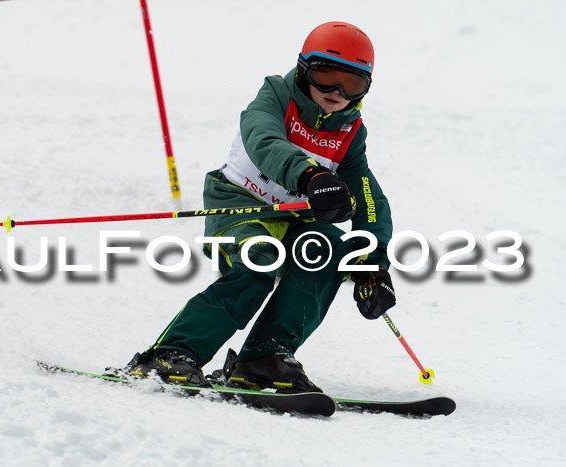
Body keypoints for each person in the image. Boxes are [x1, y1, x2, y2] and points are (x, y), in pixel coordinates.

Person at [126, 21, 395, 392]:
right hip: (239, 205)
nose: (335, 90)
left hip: (292, 219)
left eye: (351, 83)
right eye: (325, 74)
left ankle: (264, 357)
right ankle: (171, 353)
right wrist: (310, 176)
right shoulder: (275, 97)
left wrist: (372, 261)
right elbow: (264, 140)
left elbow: (366, 192)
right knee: (257, 264)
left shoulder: (350, 132)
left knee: (330, 248)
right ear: (304, 69)